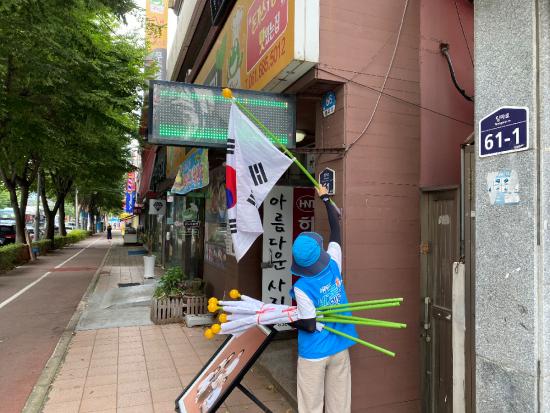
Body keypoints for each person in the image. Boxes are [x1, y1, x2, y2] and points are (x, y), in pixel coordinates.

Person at [290, 185, 358, 413]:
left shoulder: (301, 287)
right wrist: (326, 199)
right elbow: (336, 230)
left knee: (311, 407)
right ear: (319, 252)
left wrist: (291, 321)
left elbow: (309, 325)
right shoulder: (333, 264)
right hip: (339, 346)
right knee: (340, 406)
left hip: (313, 353)